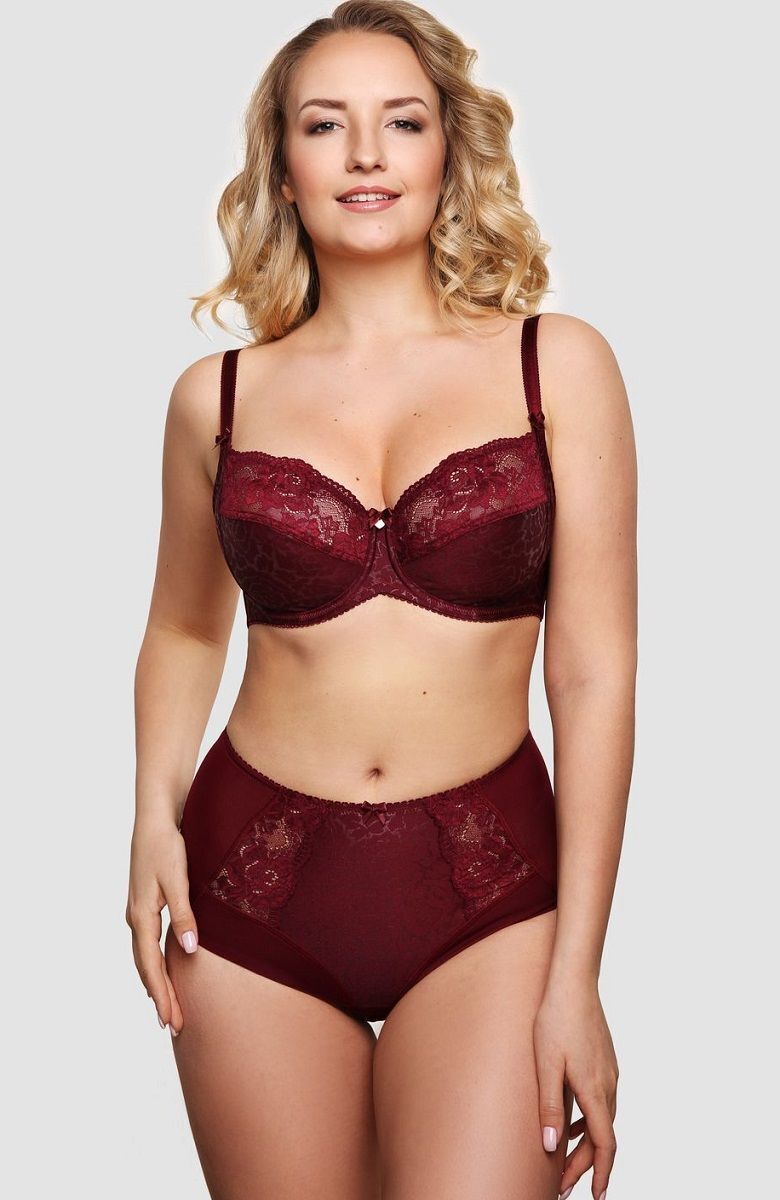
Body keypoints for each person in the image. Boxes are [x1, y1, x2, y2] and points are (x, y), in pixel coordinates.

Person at [126, 3, 637, 1197]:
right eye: (325, 125)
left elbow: (593, 672)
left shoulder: (556, 363)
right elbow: (184, 627)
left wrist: (579, 972)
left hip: (490, 893)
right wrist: (150, 815)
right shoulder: (217, 397)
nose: (365, 153)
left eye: (402, 121)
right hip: (245, 894)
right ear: (283, 167)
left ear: (448, 150)